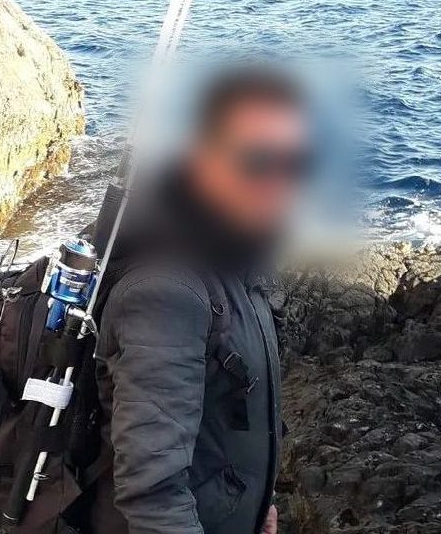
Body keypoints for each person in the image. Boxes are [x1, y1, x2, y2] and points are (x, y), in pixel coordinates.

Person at [86, 64, 311, 534]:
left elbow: (230, 414)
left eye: (295, 164)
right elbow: (153, 495)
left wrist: (257, 507)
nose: (279, 184)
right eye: (258, 161)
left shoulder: (234, 253)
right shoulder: (166, 294)